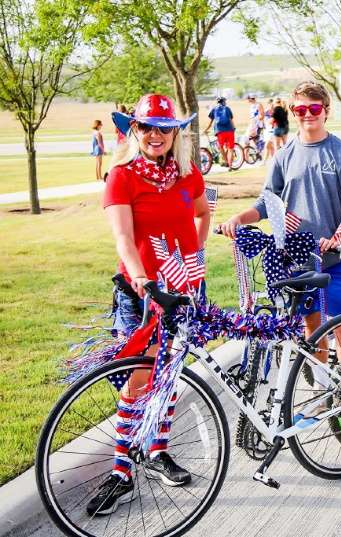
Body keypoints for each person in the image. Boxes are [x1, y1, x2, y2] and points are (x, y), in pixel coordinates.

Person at [88, 93, 210, 516]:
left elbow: (201, 213)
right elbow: (123, 237)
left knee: (169, 375)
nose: (156, 136)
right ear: (134, 130)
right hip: (140, 294)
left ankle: (157, 452)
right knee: (138, 383)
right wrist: (143, 278)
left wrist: (195, 260)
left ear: (175, 133)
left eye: (164, 128)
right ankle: (121, 473)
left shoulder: (187, 173)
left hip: (183, 293)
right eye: (147, 127)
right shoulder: (121, 176)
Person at [220, 80, 341, 361]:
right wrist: (239, 217)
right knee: (313, 328)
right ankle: (320, 392)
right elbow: (267, 202)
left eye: (314, 108)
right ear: (292, 111)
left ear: (326, 110)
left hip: (336, 260)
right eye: (301, 109)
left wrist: (338, 237)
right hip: (298, 261)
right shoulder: (284, 156)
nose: (308, 114)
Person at [204, 96, 236, 169]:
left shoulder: (214, 109)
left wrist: (206, 129)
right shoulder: (227, 108)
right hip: (229, 130)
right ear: (224, 101)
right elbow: (231, 120)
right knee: (230, 148)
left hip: (220, 131)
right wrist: (234, 128)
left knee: (221, 147)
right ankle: (230, 166)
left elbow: (210, 122)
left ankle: (226, 161)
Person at [246, 93, 265, 160]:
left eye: (248, 98)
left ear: (251, 99)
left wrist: (255, 121)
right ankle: (257, 153)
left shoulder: (258, 105)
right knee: (252, 139)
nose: (247, 100)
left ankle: (257, 153)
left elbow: (262, 116)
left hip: (257, 125)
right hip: (252, 125)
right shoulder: (251, 106)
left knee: (250, 138)